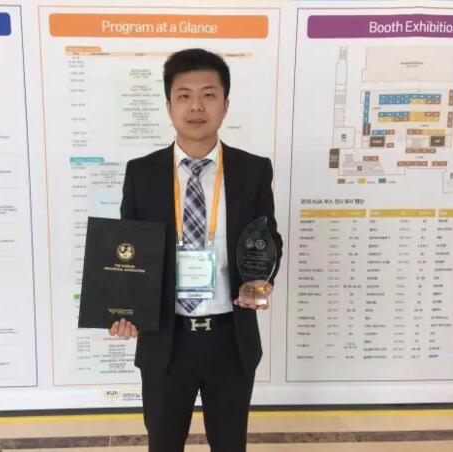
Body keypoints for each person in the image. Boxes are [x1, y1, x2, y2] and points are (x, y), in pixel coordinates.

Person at [110, 48, 282, 452]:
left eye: (208, 95)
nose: (196, 106)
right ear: (169, 105)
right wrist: (124, 308)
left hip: (230, 337)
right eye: (184, 95)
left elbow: (267, 238)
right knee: (164, 443)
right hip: (166, 341)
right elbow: (128, 250)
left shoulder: (253, 170)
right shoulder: (142, 172)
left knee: (230, 444)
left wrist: (262, 279)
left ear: (225, 105)